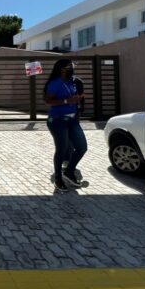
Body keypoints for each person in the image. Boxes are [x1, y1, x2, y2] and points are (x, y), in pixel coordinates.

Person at [44, 59, 88, 193]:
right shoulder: (55, 83)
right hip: (58, 121)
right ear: (62, 68)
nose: (72, 67)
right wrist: (66, 101)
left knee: (82, 147)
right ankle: (58, 178)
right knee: (61, 150)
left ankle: (69, 171)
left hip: (72, 120)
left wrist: (78, 100)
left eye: (72, 65)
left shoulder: (72, 82)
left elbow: (74, 97)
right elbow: (48, 101)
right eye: (70, 66)